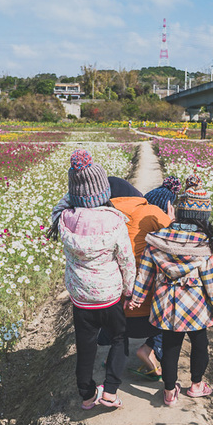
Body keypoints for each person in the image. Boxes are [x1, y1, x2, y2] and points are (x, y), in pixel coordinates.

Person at [127, 179, 213, 407]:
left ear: (178, 212)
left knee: (171, 346)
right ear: (203, 217)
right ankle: (196, 386)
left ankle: (168, 392)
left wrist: (136, 299)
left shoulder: (157, 240)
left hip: (166, 306)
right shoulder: (205, 245)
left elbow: (144, 275)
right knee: (200, 344)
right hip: (196, 308)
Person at [49, 149, 136, 410]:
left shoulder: (65, 219)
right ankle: (109, 392)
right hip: (110, 296)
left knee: (85, 348)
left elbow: (59, 206)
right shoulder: (115, 220)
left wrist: (76, 188)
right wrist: (129, 291)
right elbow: (127, 261)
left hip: (82, 299)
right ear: (104, 192)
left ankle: (87, 396)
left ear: (73, 194)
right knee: (120, 338)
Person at [109, 176, 180, 380]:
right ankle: (152, 347)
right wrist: (172, 221)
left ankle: (113, 356)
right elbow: (178, 245)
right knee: (178, 296)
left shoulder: (105, 217)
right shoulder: (153, 214)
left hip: (112, 314)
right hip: (149, 317)